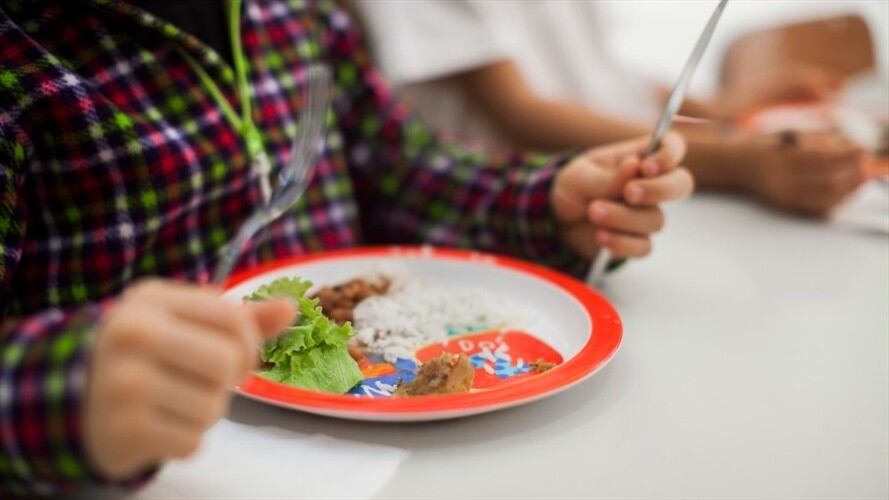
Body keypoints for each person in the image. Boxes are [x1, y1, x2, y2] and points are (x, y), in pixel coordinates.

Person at [0, 0, 693, 495]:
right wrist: (59, 391)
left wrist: (545, 206)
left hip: (413, 447)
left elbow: (399, 168)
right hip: (177, 466)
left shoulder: (296, 13)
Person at [354, 0, 865, 216]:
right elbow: (523, 114)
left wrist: (723, 107)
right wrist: (738, 159)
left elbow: (600, 74)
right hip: (530, 205)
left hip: (650, 176)